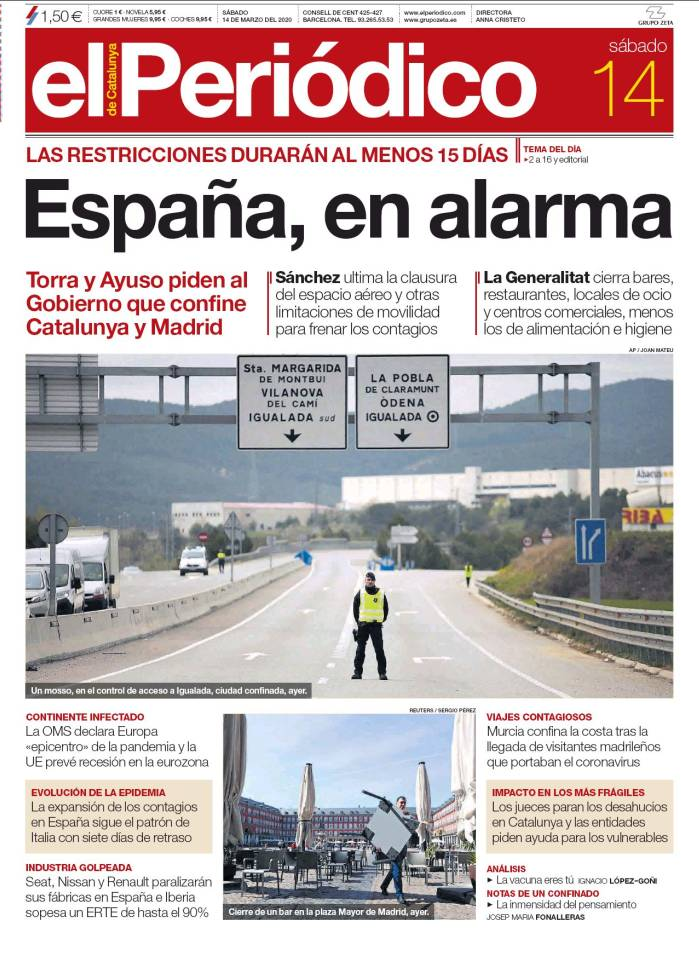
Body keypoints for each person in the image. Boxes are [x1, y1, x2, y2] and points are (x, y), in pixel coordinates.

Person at [379, 795, 417, 905]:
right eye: (401, 802)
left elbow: (411, 831)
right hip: (392, 847)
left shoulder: (408, 816)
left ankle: (383, 886)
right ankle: (400, 895)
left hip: (403, 847)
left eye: (404, 802)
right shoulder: (391, 815)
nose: (403, 804)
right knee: (397, 871)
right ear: (396, 803)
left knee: (394, 870)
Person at [352, 570, 389, 680]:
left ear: (374, 581)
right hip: (363, 626)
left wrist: (381, 620)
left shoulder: (381, 593)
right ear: (365, 581)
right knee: (360, 650)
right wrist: (358, 622)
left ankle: (382, 673)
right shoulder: (361, 593)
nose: (370, 582)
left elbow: (386, 609)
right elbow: (355, 608)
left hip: (376, 626)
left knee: (379, 650)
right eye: (368, 580)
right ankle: (357, 673)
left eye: (372, 580)